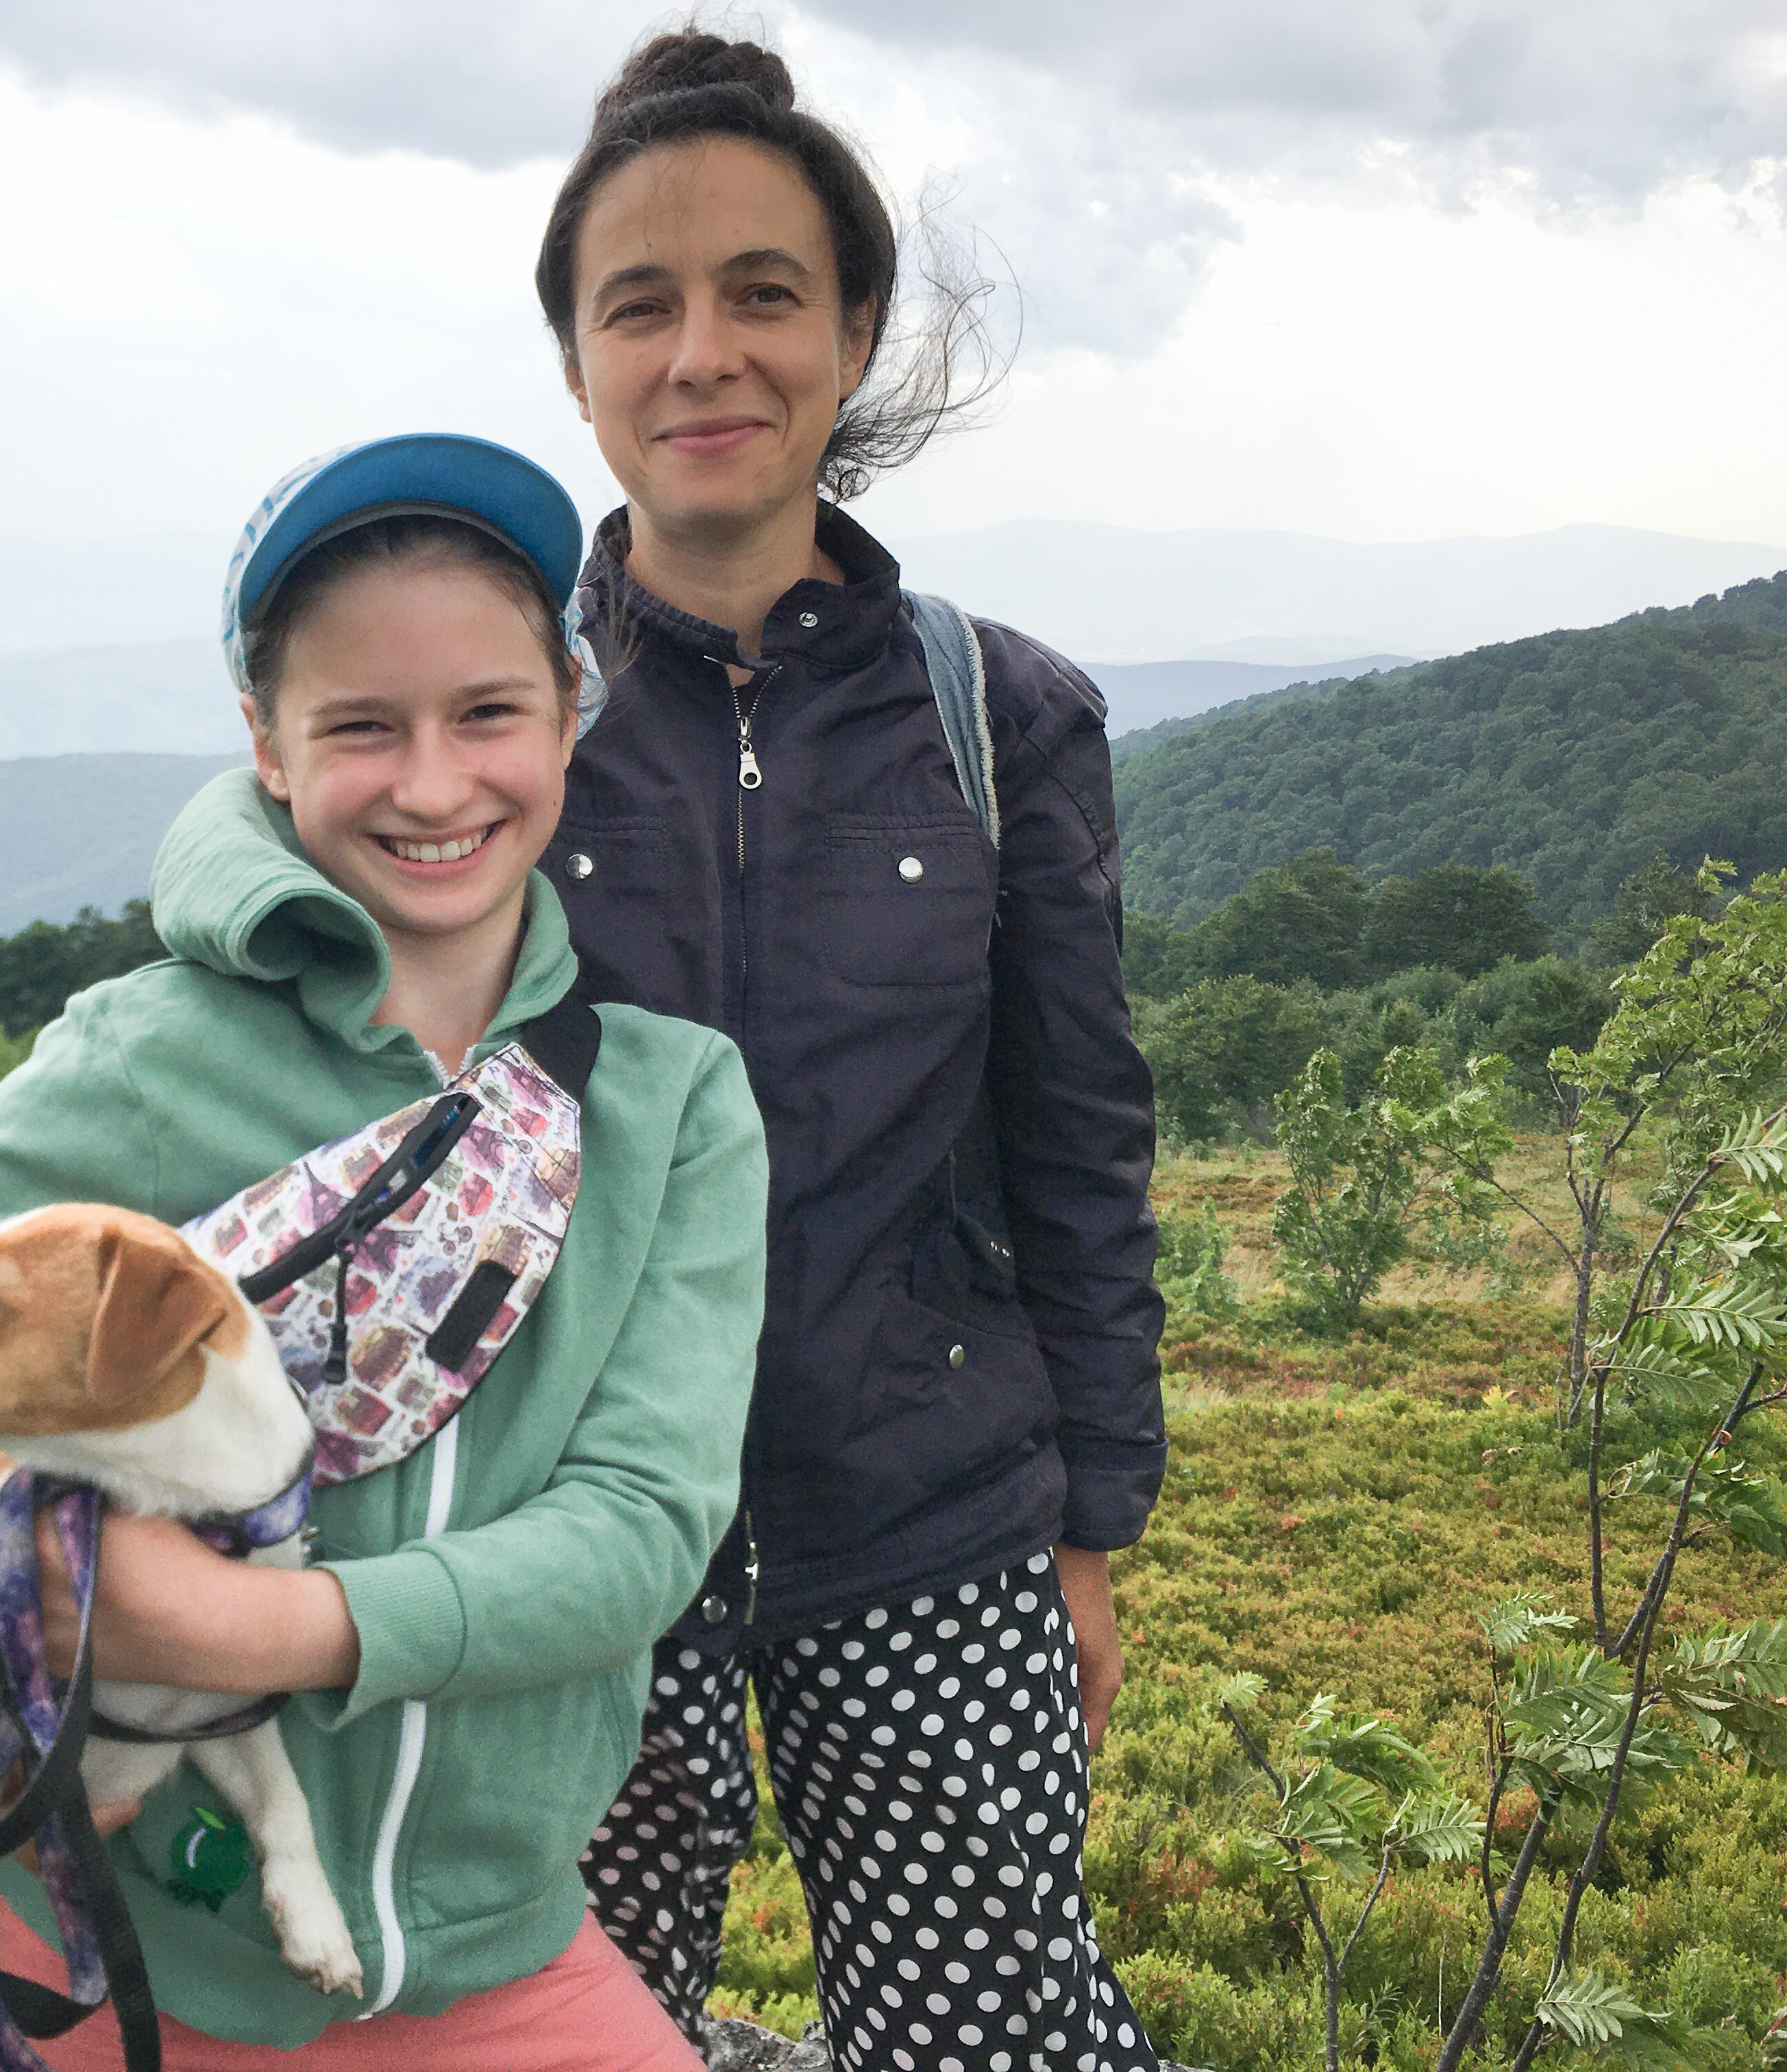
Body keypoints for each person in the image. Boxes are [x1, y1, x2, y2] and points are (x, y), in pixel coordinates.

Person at [0, 433, 771, 2070]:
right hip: (130, 1966)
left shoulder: (670, 1105)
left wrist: (241, 1634)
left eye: (487, 712)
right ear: (267, 748)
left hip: (508, 1956)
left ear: (571, 712)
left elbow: (641, 1531)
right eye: (360, 727)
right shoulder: (144, 1061)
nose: (431, 784)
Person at [531, 34, 1169, 2072]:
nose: (703, 349)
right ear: (578, 364)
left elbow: (1078, 1140)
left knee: (991, 2044)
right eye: (643, 303)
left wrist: (1091, 1535)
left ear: (856, 333)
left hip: (929, 1518)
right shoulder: (494, 720)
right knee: (558, 2040)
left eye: (764, 292)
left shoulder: (1000, 714)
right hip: (569, 1551)